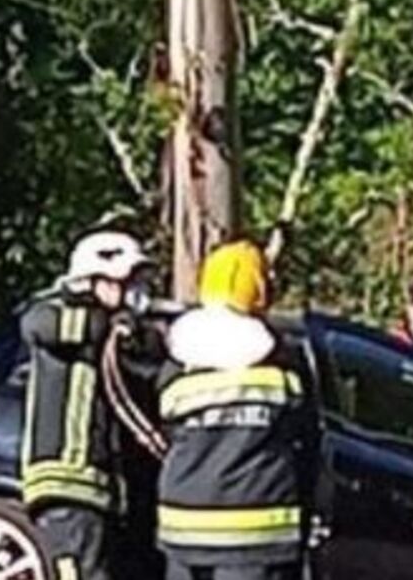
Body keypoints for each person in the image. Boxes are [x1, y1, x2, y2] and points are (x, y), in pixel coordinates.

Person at [158, 240, 306, 580]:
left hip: (184, 526)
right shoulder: (281, 362)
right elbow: (303, 433)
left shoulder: (178, 363)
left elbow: (165, 427)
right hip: (254, 534)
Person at [21, 230, 160, 580]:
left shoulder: (127, 339)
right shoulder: (55, 316)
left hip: (107, 494)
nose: (136, 292)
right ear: (94, 280)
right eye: (127, 282)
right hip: (68, 488)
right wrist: (110, 323)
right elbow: (38, 325)